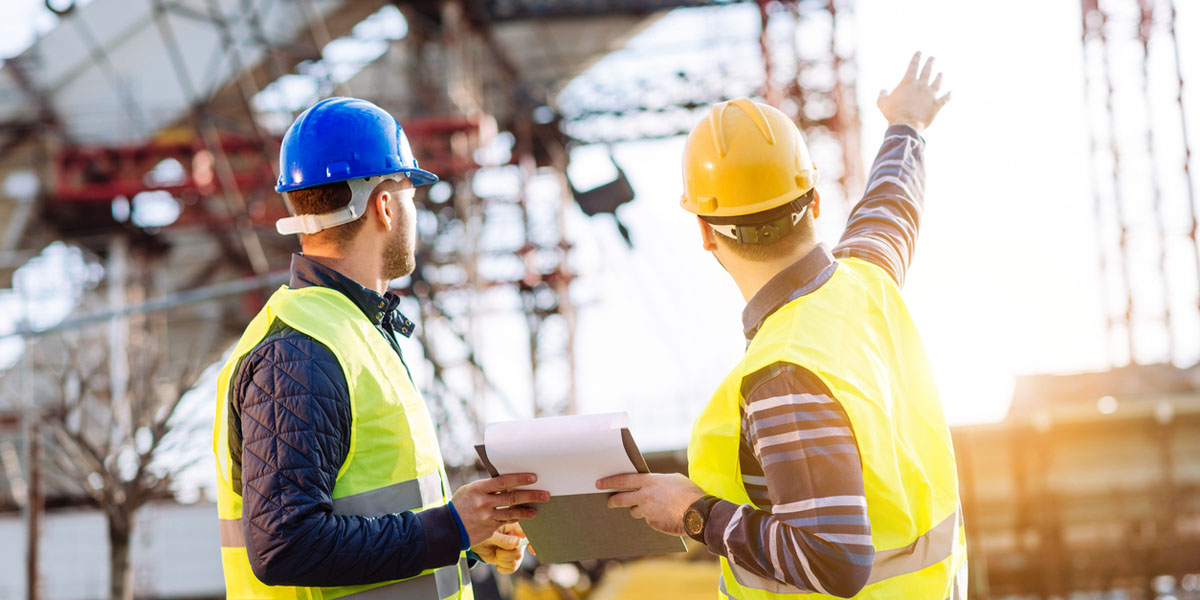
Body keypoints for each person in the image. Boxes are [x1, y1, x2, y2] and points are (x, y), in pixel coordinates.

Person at [597, 52, 966, 599]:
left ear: (704, 232)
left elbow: (834, 560)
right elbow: (893, 203)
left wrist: (693, 513)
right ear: (814, 200)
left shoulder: (783, 372)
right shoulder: (866, 283)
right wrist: (906, 124)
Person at [211, 97, 548, 599]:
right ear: (384, 206)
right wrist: (449, 528)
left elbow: (365, 513)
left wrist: (464, 541)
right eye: (410, 192)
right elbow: (285, 544)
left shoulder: (344, 331)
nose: (413, 210)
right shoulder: (303, 352)